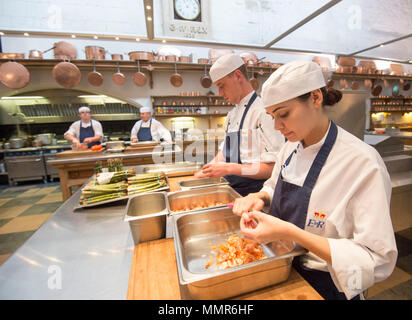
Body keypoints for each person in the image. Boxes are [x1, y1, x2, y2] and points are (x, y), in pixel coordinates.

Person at [232, 60, 397, 300]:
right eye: (272, 117)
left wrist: (293, 233)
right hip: (282, 270)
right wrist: (259, 196)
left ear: (316, 98)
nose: (277, 127)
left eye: (284, 115)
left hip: (328, 285)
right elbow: (273, 184)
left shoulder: (362, 163)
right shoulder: (290, 147)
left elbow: (377, 260)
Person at [194, 53, 284, 196]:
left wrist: (229, 169)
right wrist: (206, 171)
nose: (220, 93)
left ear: (237, 76)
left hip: (255, 194)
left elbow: (273, 168)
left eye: (222, 86)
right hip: (232, 190)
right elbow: (224, 154)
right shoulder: (232, 115)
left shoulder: (264, 112)